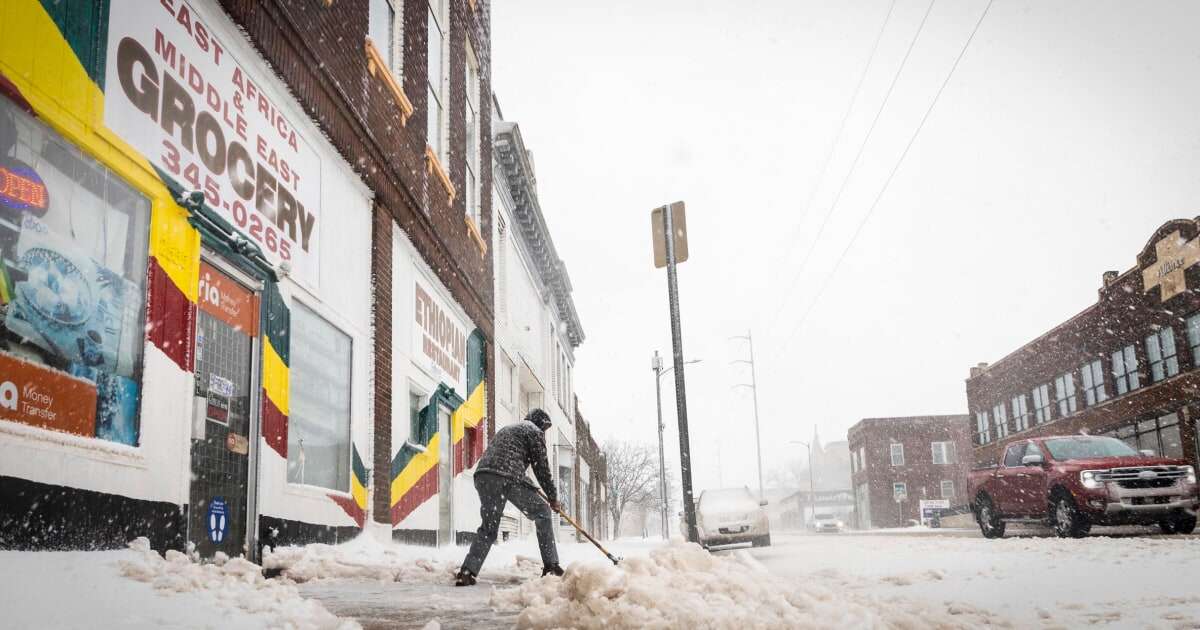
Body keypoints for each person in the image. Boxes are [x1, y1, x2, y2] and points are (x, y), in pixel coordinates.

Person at [455, 409, 564, 586]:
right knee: (543, 512)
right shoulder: (533, 431)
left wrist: (530, 484)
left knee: (488, 528)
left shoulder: (510, 429)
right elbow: (541, 468)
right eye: (545, 428)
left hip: (484, 476)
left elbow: (509, 459)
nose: (544, 433)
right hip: (507, 476)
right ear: (541, 424)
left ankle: (468, 571)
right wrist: (552, 498)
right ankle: (551, 565)